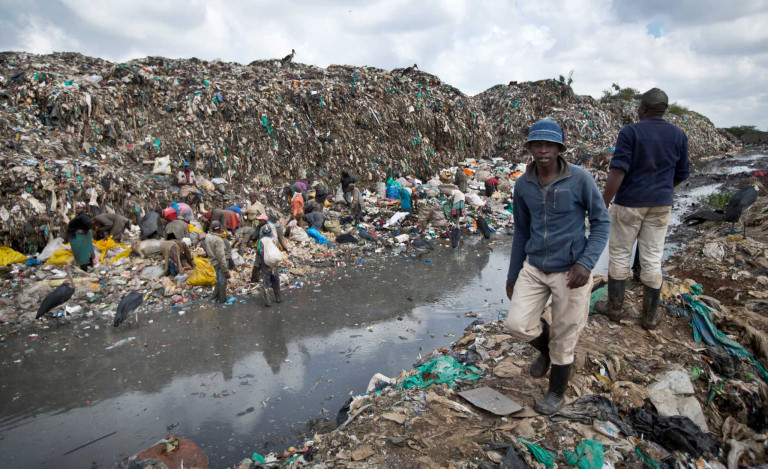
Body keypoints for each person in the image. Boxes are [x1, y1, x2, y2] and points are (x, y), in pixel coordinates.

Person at [505, 119, 609, 415]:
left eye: (549, 145)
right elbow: (521, 232)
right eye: (537, 144)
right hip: (535, 267)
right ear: (530, 148)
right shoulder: (522, 185)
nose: (543, 150)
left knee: (566, 335)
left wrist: (586, 264)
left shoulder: (580, 179)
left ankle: (555, 393)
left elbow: (602, 223)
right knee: (517, 325)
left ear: (560, 148)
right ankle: (545, 349)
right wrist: (513, 274)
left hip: (571, 272)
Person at [596, 88, 689, 330]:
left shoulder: (631, 132)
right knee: (652, 257)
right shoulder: (678, 135)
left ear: (644, 108)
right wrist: (662, 191)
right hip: (661, 205)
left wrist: (604, 201)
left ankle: (615, 308)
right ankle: (649, 317)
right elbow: (682, 173)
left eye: (639, 106)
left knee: (619, 254)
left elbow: (618, 170)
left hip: (629, 204)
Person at [254, 225, 283, 307]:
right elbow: (277, 249)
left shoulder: (261, 241)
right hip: (274, 263)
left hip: (265, 264)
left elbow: (259, 251)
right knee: (276, 279)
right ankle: (278, 298)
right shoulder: (275, 239)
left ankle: (268, 301)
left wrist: (259, 264)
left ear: (262, 232)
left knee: (266, 281)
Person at [201, 221, 229, 303]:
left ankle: (214, 298)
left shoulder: (208, 236)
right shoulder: (218, 240)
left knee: (218, 280)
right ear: (220, 228)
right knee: (222, 281)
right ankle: (222, 300)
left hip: (213, 261)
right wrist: (225, 270)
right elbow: (221, 257)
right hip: (219, 262)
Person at [67, 202, 95, 272]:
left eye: (80, 208)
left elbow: (89, 223)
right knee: (83, 251)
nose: (78, 209)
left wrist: (84, 230)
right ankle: (88, 266)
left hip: (80, 237)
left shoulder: (84, 216)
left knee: (82, 252)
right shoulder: (79, 215)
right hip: (78, 236)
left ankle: (84, 268)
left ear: (84, 209)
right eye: (77, 208)